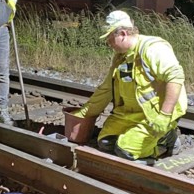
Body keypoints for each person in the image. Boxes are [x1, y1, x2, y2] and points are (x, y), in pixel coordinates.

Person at [70, 10, 187, 162]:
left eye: (110, 39)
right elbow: (106, 89)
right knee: (105, 142)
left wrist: (164, 115)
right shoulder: (121, 57)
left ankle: (166, 139)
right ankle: (144, 137)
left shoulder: (152, 48)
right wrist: (85, 113)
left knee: (125, 151)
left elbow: (175, 77)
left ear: (123, 34)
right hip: (131, 115)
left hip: (155, 115)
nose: (108, 44)